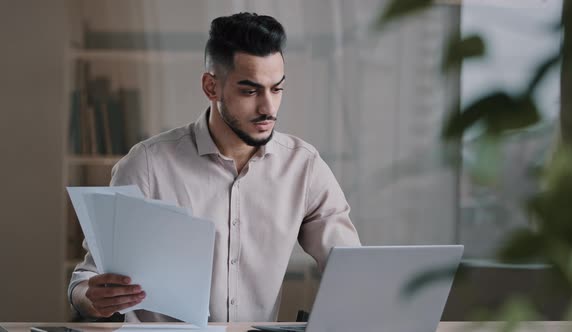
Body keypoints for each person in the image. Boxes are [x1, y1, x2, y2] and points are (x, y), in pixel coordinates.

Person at [68, 12, 361, 323]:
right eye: (250, 91)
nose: (268, 108)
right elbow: (87, 278)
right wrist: (91, 298)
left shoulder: (304, 167)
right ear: (211, 87)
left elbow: (351, 270)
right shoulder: (147, 165)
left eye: (277, 89)